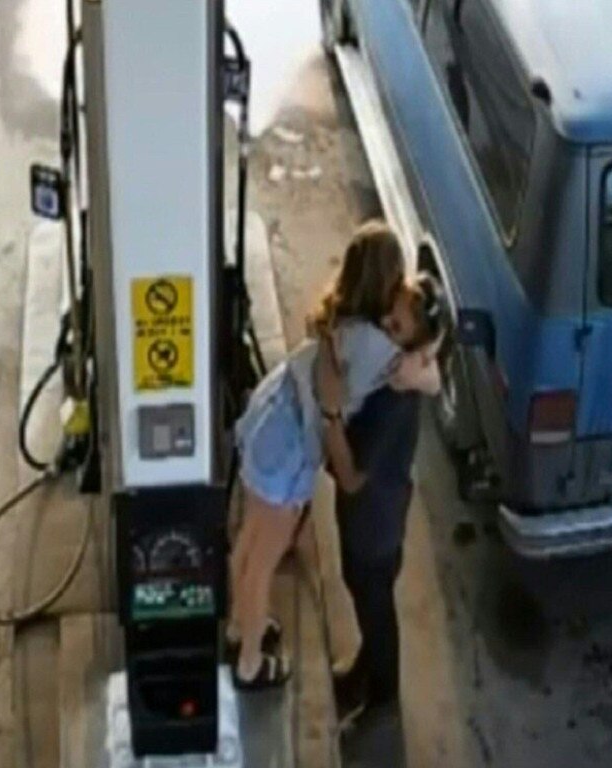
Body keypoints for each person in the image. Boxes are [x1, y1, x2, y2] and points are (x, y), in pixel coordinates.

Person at [227, 221, 440, 690]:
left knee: (250, 537)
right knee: (265, 556)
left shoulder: (339, 319)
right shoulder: (380, 348)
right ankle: (249, 662)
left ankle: (242, 624)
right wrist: (428, 351)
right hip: (288, 446)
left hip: (270, 413)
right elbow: (428, 375)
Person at [321, 273, 444, 736]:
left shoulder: (390, 404)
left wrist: (330, 415)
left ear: (410, 348)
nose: (382, 329)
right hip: (381, 516)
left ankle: (382, 698)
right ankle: (363, 672)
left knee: (374, 605)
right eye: (386, 316)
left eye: (394, 327)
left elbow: (352, 476)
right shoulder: (399, 379)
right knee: (368, 598)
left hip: (372, 523)